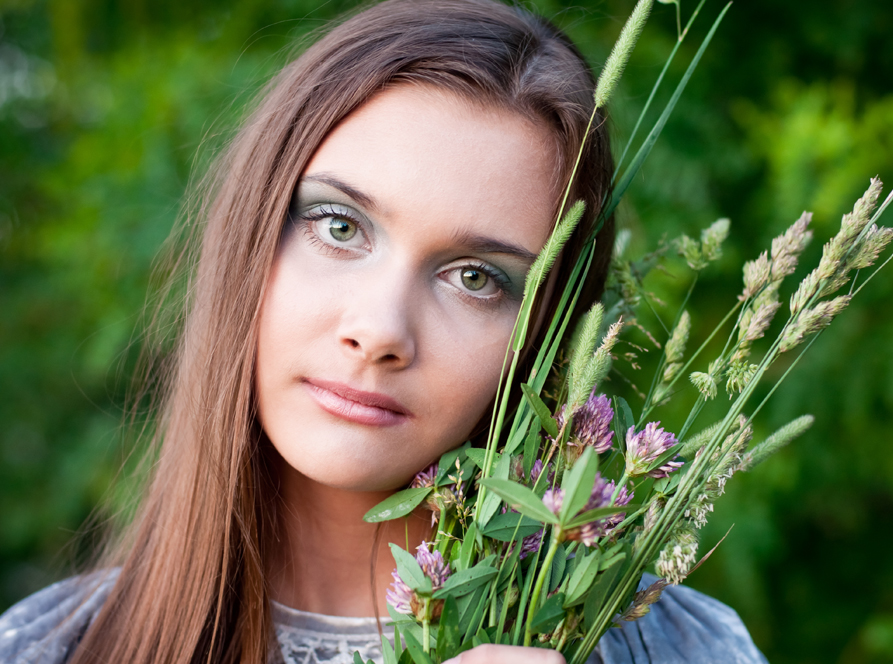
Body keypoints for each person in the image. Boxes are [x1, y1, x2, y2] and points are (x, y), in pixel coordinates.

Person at [0, 0, 767, 662]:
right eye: (339, 226)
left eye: (475, 277)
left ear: (544, 340)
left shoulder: (676, 650)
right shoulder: (43, 649)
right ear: (250, 235)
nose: (379, 331)